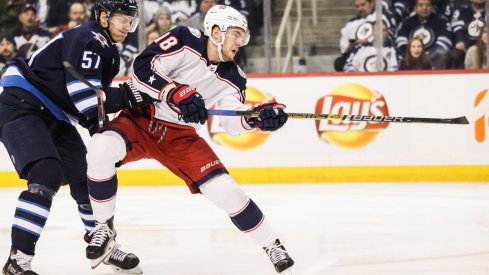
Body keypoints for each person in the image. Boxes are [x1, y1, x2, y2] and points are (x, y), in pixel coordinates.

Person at [85, 4, 294, 274]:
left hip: (178, 136)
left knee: (225, 190)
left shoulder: (235, 76)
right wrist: (173, 92)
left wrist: (256, 119)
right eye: (236, 34)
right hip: (139, 118)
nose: (240, 42)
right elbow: (143, 66)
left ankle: (271, 244)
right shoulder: (184, 38)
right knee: (100, 148)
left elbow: (232, 120)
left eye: (243, 36)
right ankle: (103, 228)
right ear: (216, 32)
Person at [0, 0, 155, 274]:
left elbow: (89, 110)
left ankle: (105, 246)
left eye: (132, 21)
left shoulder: (108, 52)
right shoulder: (89, 37)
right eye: (122, 19)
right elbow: (85, 99)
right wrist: (130, 96)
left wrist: (102, 135)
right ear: (104, 17)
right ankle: (17, 261)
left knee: (88, 180)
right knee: (45, 173)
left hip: (55, 114)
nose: (128, 27)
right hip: (21, 105)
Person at [395, 0, 453, 69]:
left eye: (428, 5)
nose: (424, 8)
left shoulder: (442, 21)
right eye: (421, 5)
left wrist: (424, 56)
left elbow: (445, 42)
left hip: (433, 59)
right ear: (415, 8)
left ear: (432, 7)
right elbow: (400, 41)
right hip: (410, 59)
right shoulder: (406, 22)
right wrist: (411, 54)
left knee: (440, 54)